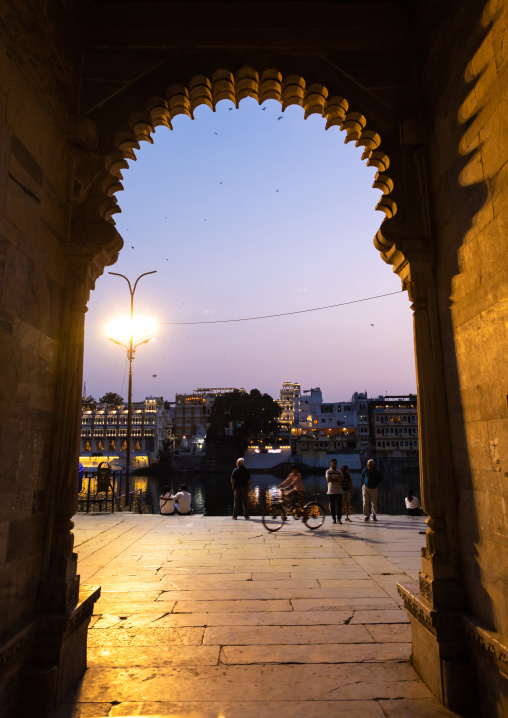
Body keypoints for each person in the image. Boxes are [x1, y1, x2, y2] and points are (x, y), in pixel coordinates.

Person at [325, 459, 343, 524]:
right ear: (330, 464)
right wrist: (336, 478)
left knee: (339, 506)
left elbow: (341, 479)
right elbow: (328, 479)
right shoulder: (328, 471)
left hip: (339, 491)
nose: (334, 465)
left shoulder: (339, 471)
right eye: (333, 463)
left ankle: (339, 519)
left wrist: (333, 478)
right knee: (332, 506)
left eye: (335, 463)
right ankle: (334, 519)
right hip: (331, 491)